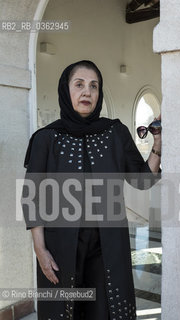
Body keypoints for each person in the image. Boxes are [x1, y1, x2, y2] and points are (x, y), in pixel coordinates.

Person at [22, 60, 161, 320]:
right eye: (79, 84)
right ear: (66, 90)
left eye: (94, 86)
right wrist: (40, 250)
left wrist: (157, 145)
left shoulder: (115, 133)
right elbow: (32, 198)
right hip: (60, 246)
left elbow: (143, 180)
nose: (87, 92)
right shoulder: (46, 138)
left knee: (106, 310)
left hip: (107, 246)